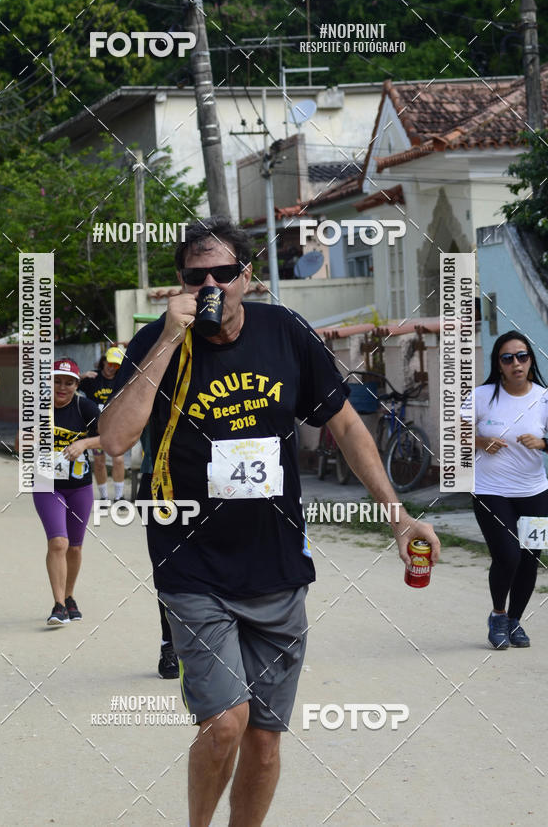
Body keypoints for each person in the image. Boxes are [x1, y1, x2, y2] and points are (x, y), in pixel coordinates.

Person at [99, 217, 440, 827]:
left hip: (277, 566)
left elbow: (345, 424)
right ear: (179, 282)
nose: (211, 286)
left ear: (247, 278)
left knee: (263, 740)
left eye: (224, 274)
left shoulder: (284, 331)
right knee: (225, 724)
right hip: (191, 565)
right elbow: (117, 437)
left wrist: (397, 514)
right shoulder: (158, 342)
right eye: (196, 276)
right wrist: (171, 338)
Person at [465, 330, 548, 650]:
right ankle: (498, 615)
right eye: (508, 358)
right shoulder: (481, 396)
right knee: (508, 557)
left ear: (530, 360)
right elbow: (455, 435)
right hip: (490, 491)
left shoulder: (542, 398)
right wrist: (482, 441)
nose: (516, 363)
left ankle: (515, 621)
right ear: (499, 364)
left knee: (530, 559)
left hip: (536, 492)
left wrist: (542, 443)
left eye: (522, 356)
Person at [32, 358, 101, 626]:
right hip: (46, 485)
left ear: (76, 384)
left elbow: (111, 436)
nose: (62, 387)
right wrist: (29, 438)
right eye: (57, 381)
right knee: (58, 542)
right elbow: (17, 443)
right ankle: (59, 604)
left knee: (74, 546)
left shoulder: (85, 407)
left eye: (69, 382)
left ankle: (70, 597)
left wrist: (84, 443)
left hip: (80, 487)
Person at [138, 423, 180, 679]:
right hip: (157, 482)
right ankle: (170, 644)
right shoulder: (147, 383)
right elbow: (115, 438)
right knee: (169, 570)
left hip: (210, 482)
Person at [80, 346, 126, 501]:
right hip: (96, 428)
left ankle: (119, 497)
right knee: (99, 463)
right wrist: (82, 376)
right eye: (110, 363)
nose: (112, 368)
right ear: (104, 361)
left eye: (116, 365)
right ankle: (104, 497)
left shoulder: (122, 380)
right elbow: (68, 385)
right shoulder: (93, 378)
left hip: (116, 428)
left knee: (118, 460)